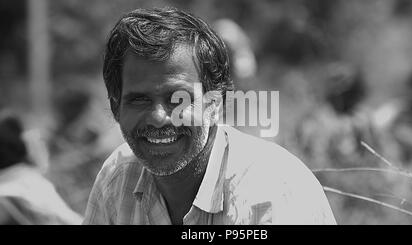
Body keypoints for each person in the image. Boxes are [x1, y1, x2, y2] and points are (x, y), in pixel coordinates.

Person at [83, 7, 336, 225]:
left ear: (216, 103)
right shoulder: (118, 178)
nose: (158, 117)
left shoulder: (271, 195)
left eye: (178, 100)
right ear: (116, 107)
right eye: (139, 99)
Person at [0, 110, 82, 225]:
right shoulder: (28, 185)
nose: (40, 141)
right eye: (34, 136)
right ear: (19, 144)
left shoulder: (15, 184)